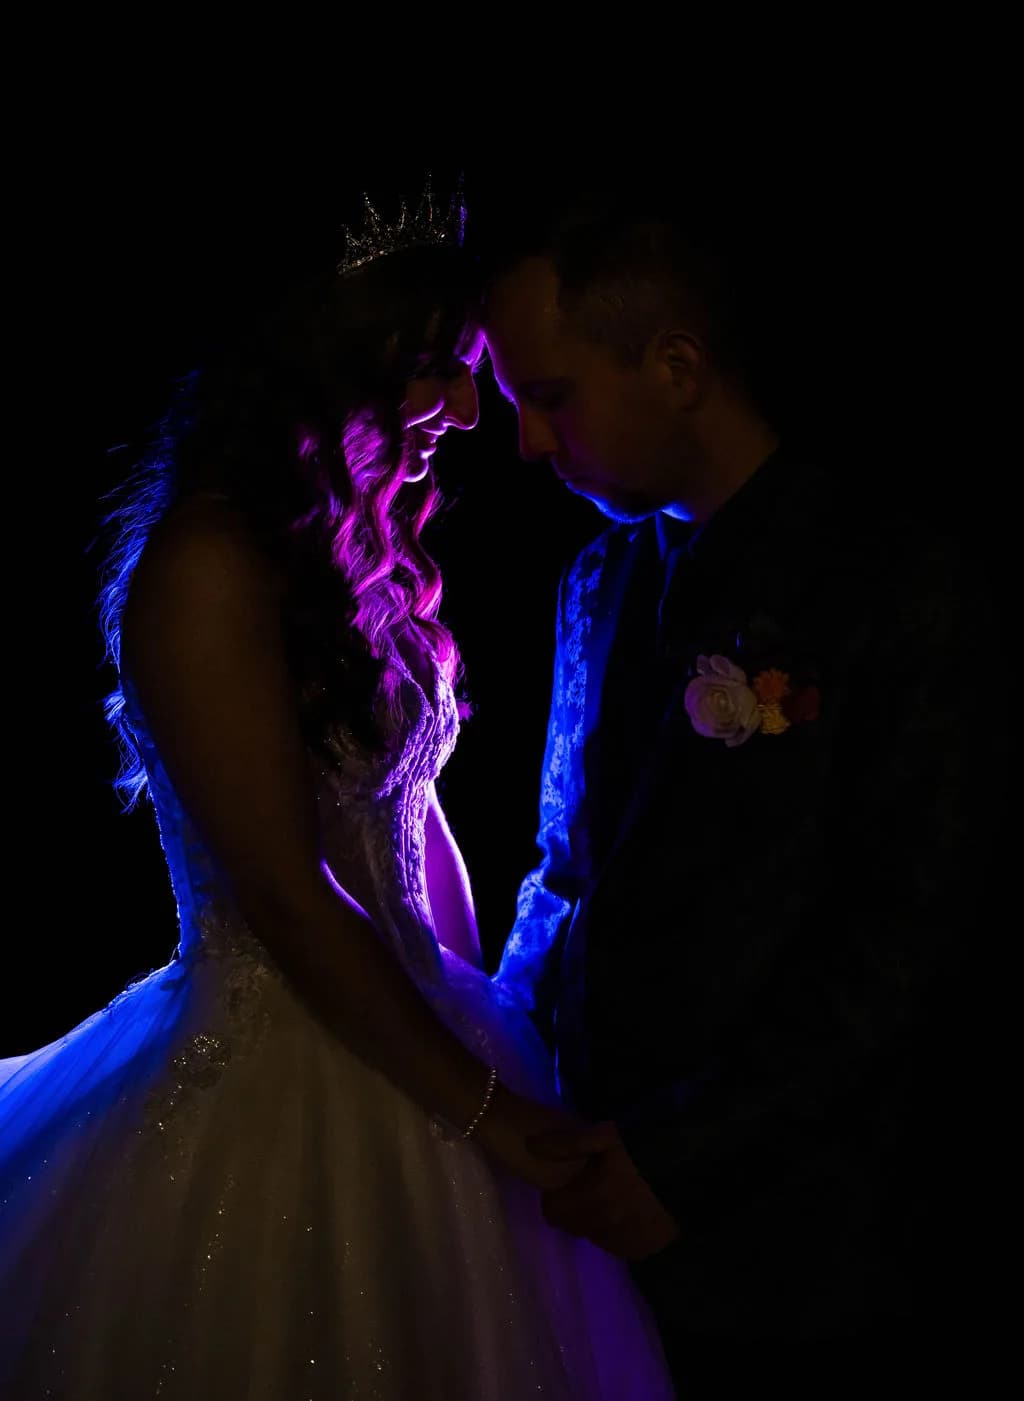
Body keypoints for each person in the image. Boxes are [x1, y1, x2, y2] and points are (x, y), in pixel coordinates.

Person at [0, 186, 675, 1400]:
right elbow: (285, 894)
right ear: (331, 358)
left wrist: (490, 1020)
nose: (469, 411)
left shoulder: (356, 552)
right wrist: (488, 1113)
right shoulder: (203, 569)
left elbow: (413, 828)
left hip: (421, 1034)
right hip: (275, 1072)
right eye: (439, 369)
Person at [481, 185, 995, 1394]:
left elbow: (908, 932)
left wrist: (675, 1156)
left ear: (675, 363)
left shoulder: (890, 579)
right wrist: (505, 1066)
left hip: (796, 1241)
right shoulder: (597, 578)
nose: (529, 446)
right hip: (583, 1216)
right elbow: (565, 865)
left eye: (550, 399)